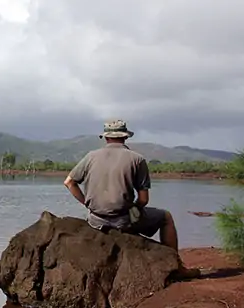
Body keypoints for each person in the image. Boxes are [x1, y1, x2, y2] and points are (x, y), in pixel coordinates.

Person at [63, 119, 200, 279]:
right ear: (125, 137)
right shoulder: (137, 159)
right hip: (123, 221)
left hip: (95, 220)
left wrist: (87, 203)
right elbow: (143, 200)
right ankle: (176, 268)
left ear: (105, 138)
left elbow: (69, 182)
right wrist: (134, 208)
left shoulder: (90, 156)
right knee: (166, 217)